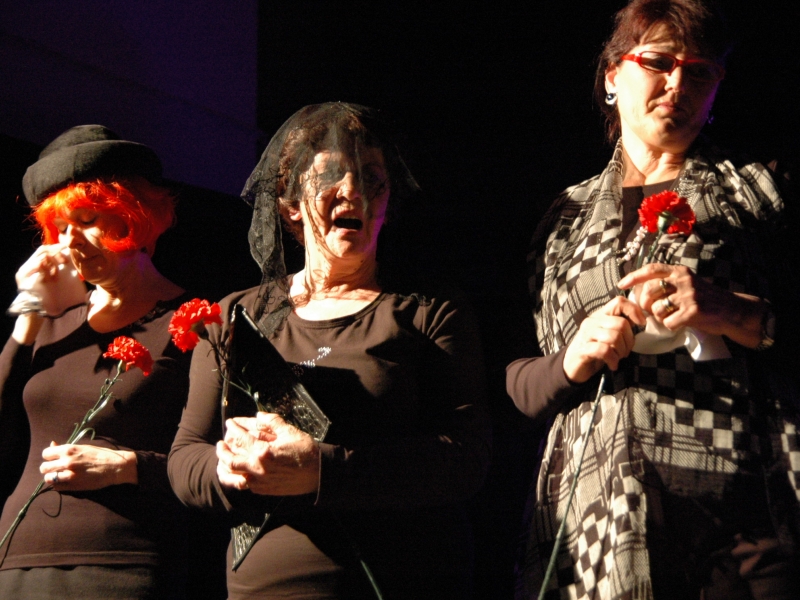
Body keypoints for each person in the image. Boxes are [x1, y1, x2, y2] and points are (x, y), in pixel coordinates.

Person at [506, 1, 800, 598]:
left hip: (743, 514)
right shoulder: (563, 218)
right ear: (613, 76)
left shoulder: (760, 198)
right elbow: (516, 381)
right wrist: (570, 361)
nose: (678, 84)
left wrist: (732, 311)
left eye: (700, 71)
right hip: (597, 515)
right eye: (659, 62)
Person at [168, 102, 491, 599]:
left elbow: (465, 459)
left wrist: (322, 470)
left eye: (371, 178)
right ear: (291, 205)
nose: (353, 190)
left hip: (397, 581)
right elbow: (185, 457)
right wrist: (227, 468)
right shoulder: (236, 316)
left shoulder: (429, 312)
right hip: (267, 588)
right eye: (331, 175)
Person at [0, 125, 195, 599]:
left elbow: (211, 464)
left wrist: (127, 466)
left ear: (134, 217)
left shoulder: (193, 322)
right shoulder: (52, 322)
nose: (70, 241)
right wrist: (29, 315)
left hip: (123, 564)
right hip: (18, 560)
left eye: (86, 220)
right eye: (60, 228)